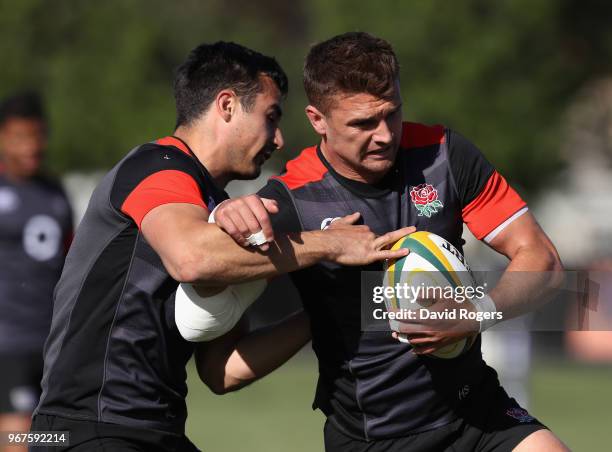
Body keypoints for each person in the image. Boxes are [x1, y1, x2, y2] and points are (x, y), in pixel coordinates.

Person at [30, 41, 411, 452]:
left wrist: (326, 311)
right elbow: (192, 259)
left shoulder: (215, 209)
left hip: (151, 432)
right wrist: (328, 244)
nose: (279, 139)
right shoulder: (158, 167)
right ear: (227, 106)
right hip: (88, 428)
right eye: (271, 117)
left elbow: (223, 370)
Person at [213, 32, 569, 451]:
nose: (384, 135)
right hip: (377, 438)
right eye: (363, 123)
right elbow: (222, 366)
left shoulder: (443, 155)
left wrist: (475, 311)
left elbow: (543, 262)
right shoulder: (291, 202)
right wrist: (221, 214)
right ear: (317, 120)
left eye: (393, 114)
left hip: (479, 413)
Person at [0, 92, 73, 452]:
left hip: (50, 340)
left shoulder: (55, 192)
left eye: (37, 135)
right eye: (20, 137)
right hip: (7, 342)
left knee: (55, 438)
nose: (31, 146)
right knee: (17, 438)